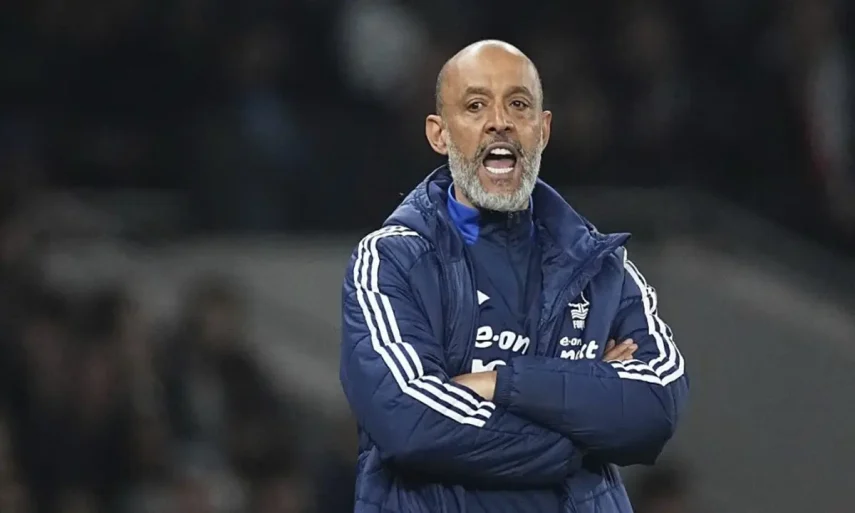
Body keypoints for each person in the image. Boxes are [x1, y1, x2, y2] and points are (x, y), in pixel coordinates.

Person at [339, 40, 688, 513]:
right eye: (475, 106)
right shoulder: (391, 261)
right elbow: (410, 423)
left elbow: (655, 407)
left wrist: (497, 383)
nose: (499, 121)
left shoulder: (603, 268)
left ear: (542, 130)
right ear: (439, 134)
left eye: (518, 104)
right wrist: (580, 431)